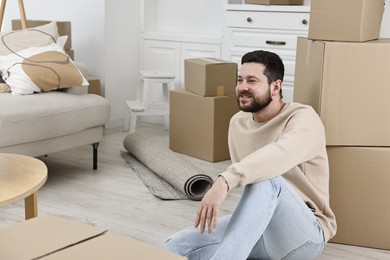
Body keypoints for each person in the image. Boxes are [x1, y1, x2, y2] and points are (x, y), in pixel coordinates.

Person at [164, 50, 337, 259]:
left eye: (252, 81)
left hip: (305, 233)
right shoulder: (237, 123)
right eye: (240, 80)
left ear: (276, 87)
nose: (242, 87)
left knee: (266, 180)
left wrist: (225, 180)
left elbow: (279, 155)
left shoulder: (303, 118)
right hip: (262, 229)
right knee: (178, 244)